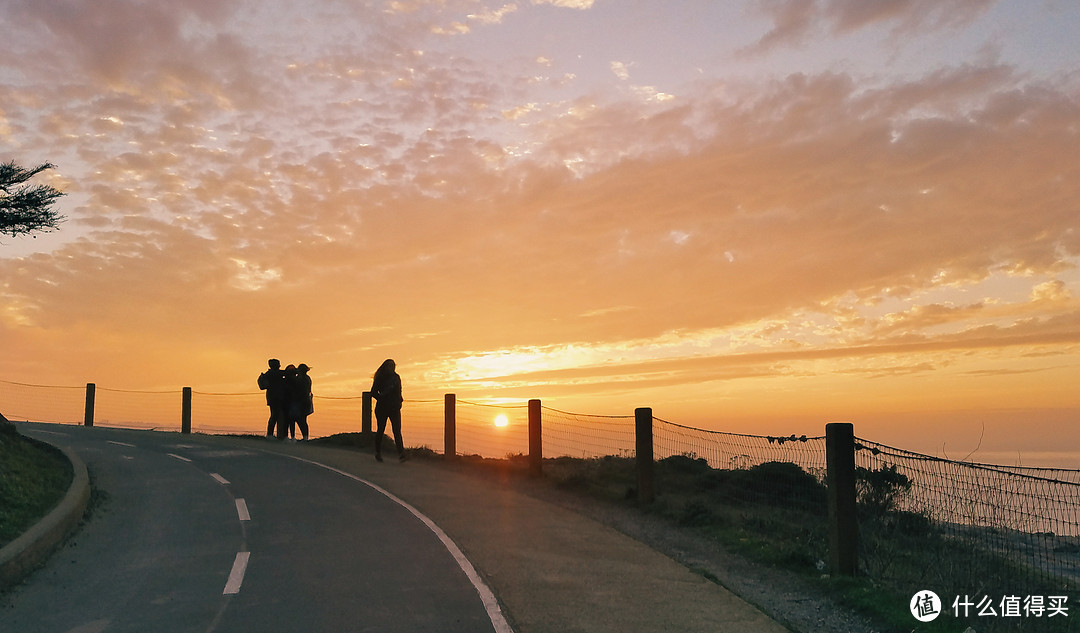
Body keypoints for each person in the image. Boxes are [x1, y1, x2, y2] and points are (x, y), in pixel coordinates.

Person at [370, 358, 405, 462]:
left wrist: (399, 401)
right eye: (390, 365)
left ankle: (401, 453)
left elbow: (399, 391)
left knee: (397, 431)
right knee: (381, 430)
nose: (392, 367)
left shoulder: (396, 377)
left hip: (394, 407)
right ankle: (378, 452)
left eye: (393, 365)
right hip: (382, 408)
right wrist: (381, 398)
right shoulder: (380, 378)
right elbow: (373, 392)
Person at [258, 359, 288, 439]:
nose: (280, 366)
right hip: (276, 398)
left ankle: (271, 434)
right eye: (278, 364)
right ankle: (271, 434)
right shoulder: (274, 373)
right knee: (275, 416)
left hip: (273, 398)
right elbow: (285, 373)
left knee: (274, 415)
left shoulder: (270, 373)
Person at [288, 363, 313, 441]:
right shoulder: (308, 378)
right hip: (306, 401)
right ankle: (305, 437)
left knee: (292, 419)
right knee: (303, 420)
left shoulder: (299, 379)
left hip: (298, 401)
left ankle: (293, 437)